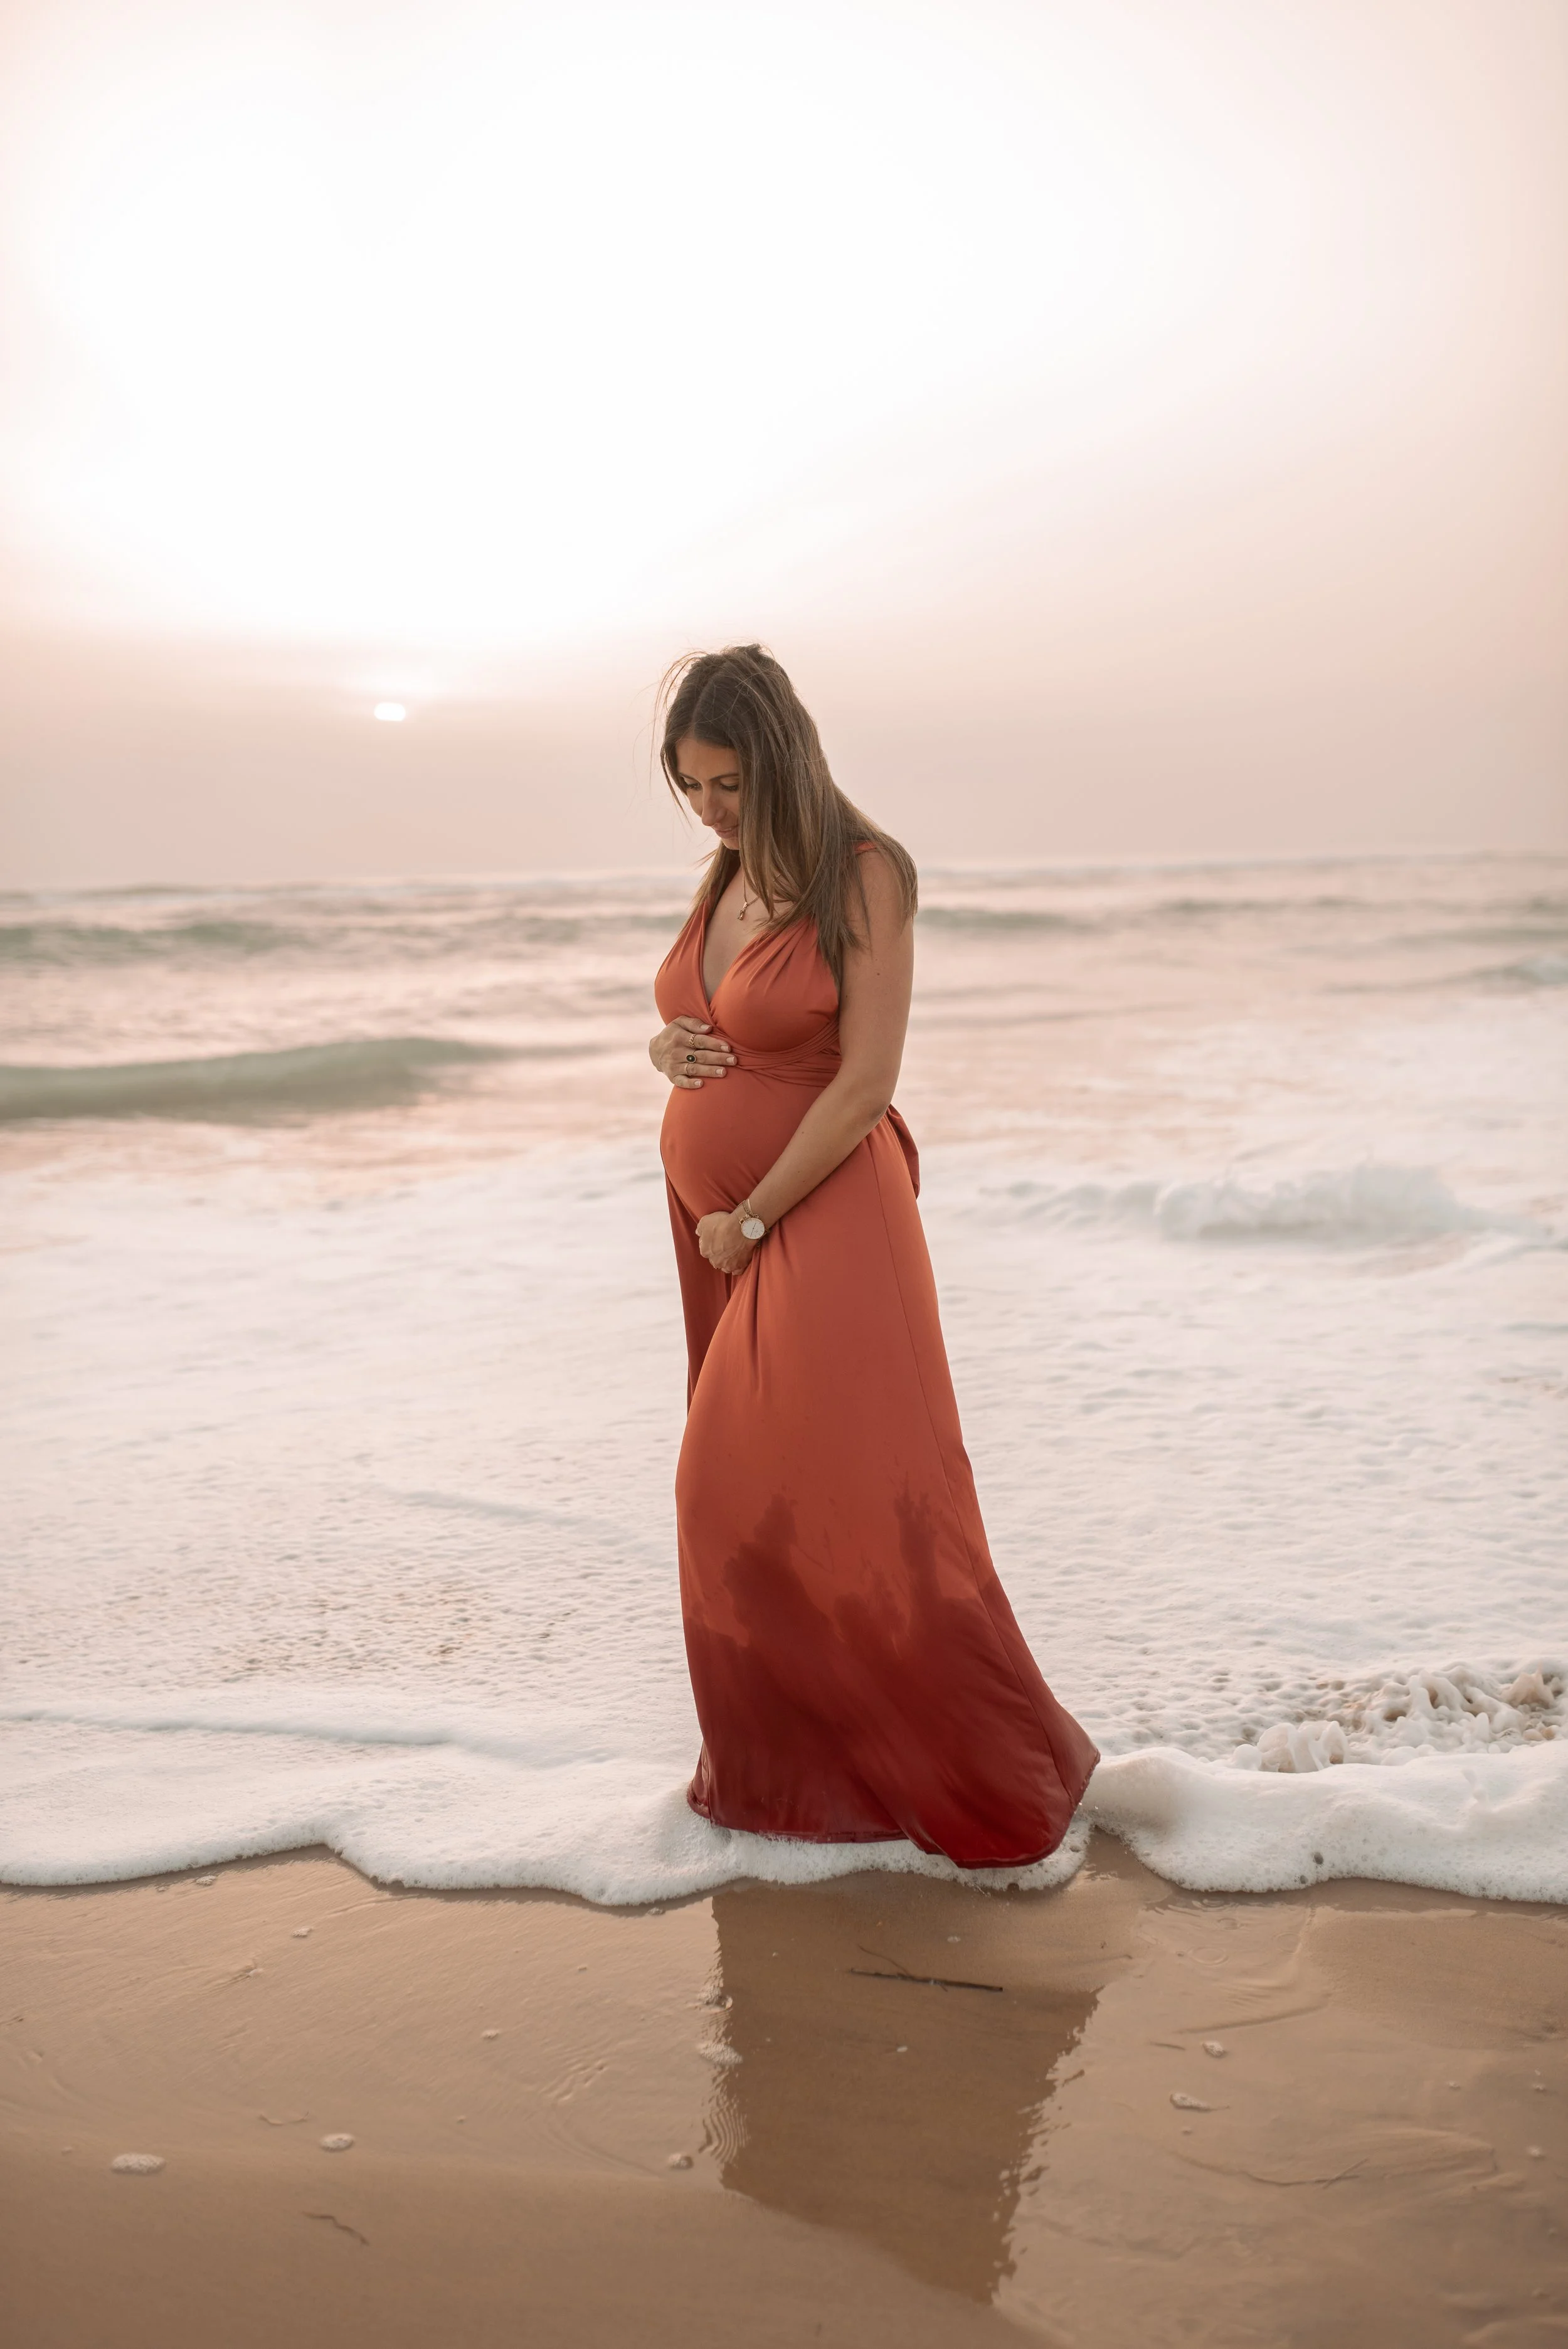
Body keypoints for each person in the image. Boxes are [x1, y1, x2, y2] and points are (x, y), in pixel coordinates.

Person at [649, 645, 1096, 1867]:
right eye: (688, 786)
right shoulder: (723, 875)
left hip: (824, 1214)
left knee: (835, 1505)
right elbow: (703, 1019)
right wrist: (667, 1059)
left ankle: (1002, 1778)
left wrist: (748, 1220)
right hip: (719, 1230)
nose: (709, 809)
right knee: (752, 1507)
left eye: (728, 782)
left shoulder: (865, 874)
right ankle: (797, 1794)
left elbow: (862, 1085)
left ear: (782, 755)